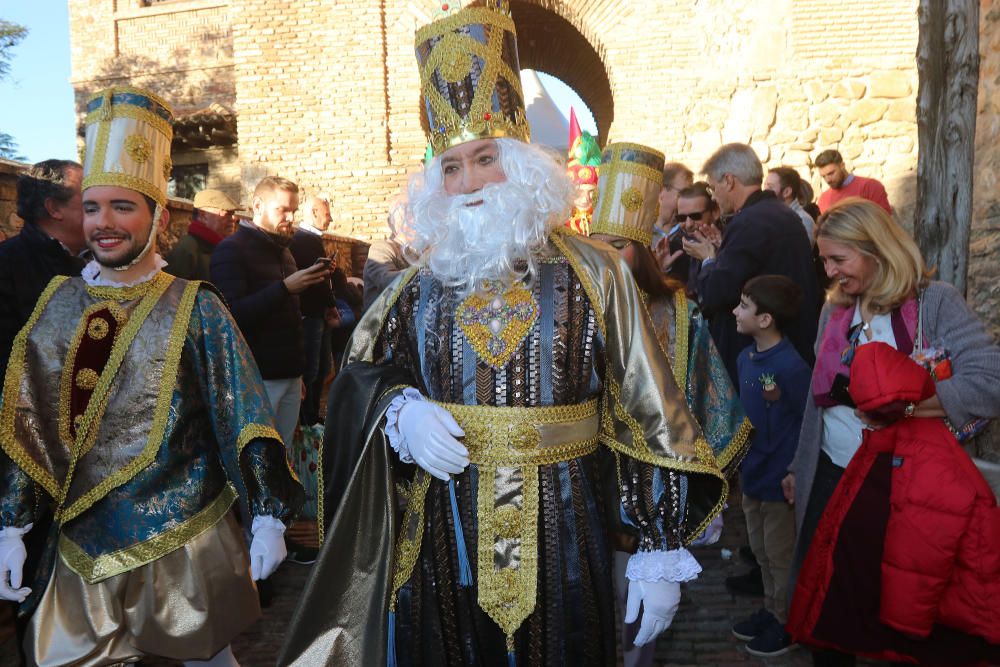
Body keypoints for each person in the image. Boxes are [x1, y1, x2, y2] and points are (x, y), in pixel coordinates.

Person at [278, 4, 727, 665]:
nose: (468, 183)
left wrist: (659, 543)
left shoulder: (595, 272)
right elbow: (357, 381)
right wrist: (397, 410)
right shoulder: (414, 287)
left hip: (566, 528)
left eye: (484, 158)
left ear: (519, 162)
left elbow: (645, 405)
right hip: (443, 531)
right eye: (451, 167)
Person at [0, 86, 302, 667]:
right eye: (92, 207)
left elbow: (241, 410)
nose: (103, 224)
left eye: (122, 207)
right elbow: (29, 420)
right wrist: (11, 523)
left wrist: (267, 513)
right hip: (78, 542)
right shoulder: (57, 303)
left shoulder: (196, 305)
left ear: (157, 216)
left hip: (185, 532)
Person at [784, 198, 1000, 666]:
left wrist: (906, 406)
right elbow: (815, 405)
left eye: (838, 259)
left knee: (903, 615)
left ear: (877, 250)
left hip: (900, 489)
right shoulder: (835, 312)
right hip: (832, 475)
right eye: (823, 260)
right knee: (830, 615)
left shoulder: (934, 303)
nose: (829, 272)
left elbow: (989, 381)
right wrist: (798, 468)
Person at [589, 142, 750, 667]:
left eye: (619, 243)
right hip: (588, 479)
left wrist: (702, 484)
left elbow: (707, 396)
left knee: (641, 612)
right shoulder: (573, 310)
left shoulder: (676, 314)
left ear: (642, 247)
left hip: (653, 479)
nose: (607, 256)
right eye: (597, 244)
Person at [211, 177, 332, 449]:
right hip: (255, 381)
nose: (290, 218)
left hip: (287, 376)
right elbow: (229, 316)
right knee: (257, 459)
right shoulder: (231, 250)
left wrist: (296, 372)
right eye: (282, 210)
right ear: (257, 205)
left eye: (293, 211)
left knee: (283, 456)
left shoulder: (285, 252)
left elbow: (291, 319)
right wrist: (285, 288)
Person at [684, 142, 821, 383]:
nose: (714, 196)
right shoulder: (777, 212)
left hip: (765, 359)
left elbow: (719, 291)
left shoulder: (750, 221)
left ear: (729, 180)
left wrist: (707, 259)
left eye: (714, 187)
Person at [729, 275, 810, 658]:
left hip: (779, 480)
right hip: (754, 473)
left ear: (766, 319)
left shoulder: (791, 368)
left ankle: (787, 622)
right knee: (760, 550)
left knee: (780, 555)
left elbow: (805, 422)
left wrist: (793, 470)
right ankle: (772, 608)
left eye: (744, 305)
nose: (735, 311)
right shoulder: (746, 357)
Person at [0, 160, 85, 378]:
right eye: (89, 198)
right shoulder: (6, 265)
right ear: (55, 208)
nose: (102, 208)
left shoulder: (97, 265)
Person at [288, 194, 338, 425]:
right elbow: (314, 279)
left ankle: (312, 414)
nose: (330, 219)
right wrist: (330, 305)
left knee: (322, 369)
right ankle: (306, 419)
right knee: (312, 370)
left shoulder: (311, 240)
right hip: (310, 316)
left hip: (319, 314)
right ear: (315, 212)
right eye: (327, 214)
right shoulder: (303, 240)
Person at [164, 188, 239, 280]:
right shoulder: (187, 249)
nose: (234, 218)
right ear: (203, 215)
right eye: (227, 212)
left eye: (233, 213)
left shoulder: (223, 248)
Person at [363, 193, 412, 311]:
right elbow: (388, 281)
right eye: (407, 213)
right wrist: (429, 271)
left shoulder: (417, 252)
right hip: (379, 326)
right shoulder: (381, 248)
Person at [674, 182, 721, 294]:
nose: (689, 224)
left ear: (715, 212)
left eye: (695, 216)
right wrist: (662, 269)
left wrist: (710, 260)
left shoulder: (727, 243)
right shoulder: (674, 245)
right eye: (682, 217)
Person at [652, 162, 694, 281]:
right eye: (683, 193)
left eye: (690, 194)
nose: (688, 200)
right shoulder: (642, 233)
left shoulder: (692, 232)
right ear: (661, 191)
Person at [814, 149, 891, 215]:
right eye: (823, 176)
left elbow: (884, 220)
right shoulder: (824, 199)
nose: (828, 180)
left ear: (842, 166)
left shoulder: (870, 186)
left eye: (831, 173)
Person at [765, 167, 814, 243]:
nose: (765, 191)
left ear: (787, 192)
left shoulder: (804, 220)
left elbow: (799, 252)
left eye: (770, 187)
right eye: (765, 186)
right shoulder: (769, 215)